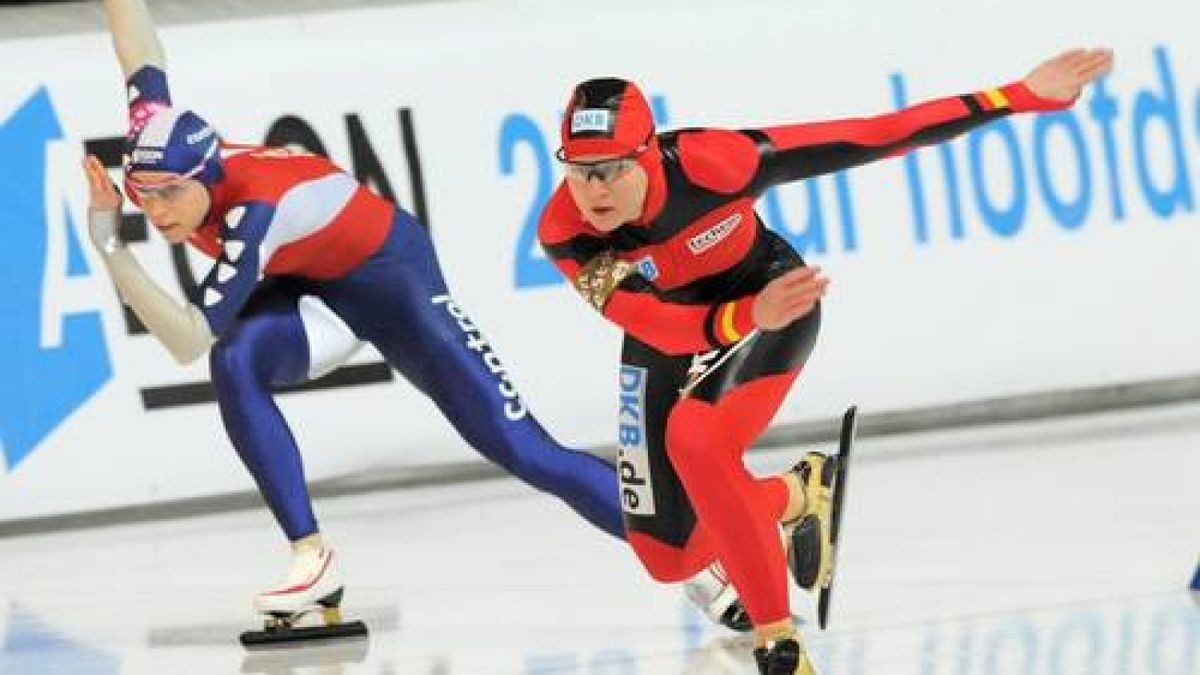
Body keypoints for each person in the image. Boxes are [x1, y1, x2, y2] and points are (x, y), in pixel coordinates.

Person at [83, 0, 744, 633]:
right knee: (237, 361)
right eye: (144, 195)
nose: (159, 209)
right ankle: (312, 559)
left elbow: (183, 340)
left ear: (206, 173)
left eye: (171, 193)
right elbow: (139, 48)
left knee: (526, 450)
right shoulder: (159, 136)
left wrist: (111, 240)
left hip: (390, 281)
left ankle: (704, 561)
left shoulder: (256, 213)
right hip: (305, 283)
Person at [539, 49, 1113, 674]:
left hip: (771, 301)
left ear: (648, 154)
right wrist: (734, 320)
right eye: (579, 169)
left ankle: (778, 642)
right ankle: (798, 492)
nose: (593, 189)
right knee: (669, 557)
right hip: (686, 327)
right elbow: (652, 324)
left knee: (697, 440)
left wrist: (1016, 96)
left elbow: (870, 136)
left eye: (613, 168)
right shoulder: (564, 229)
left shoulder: (716, 163)